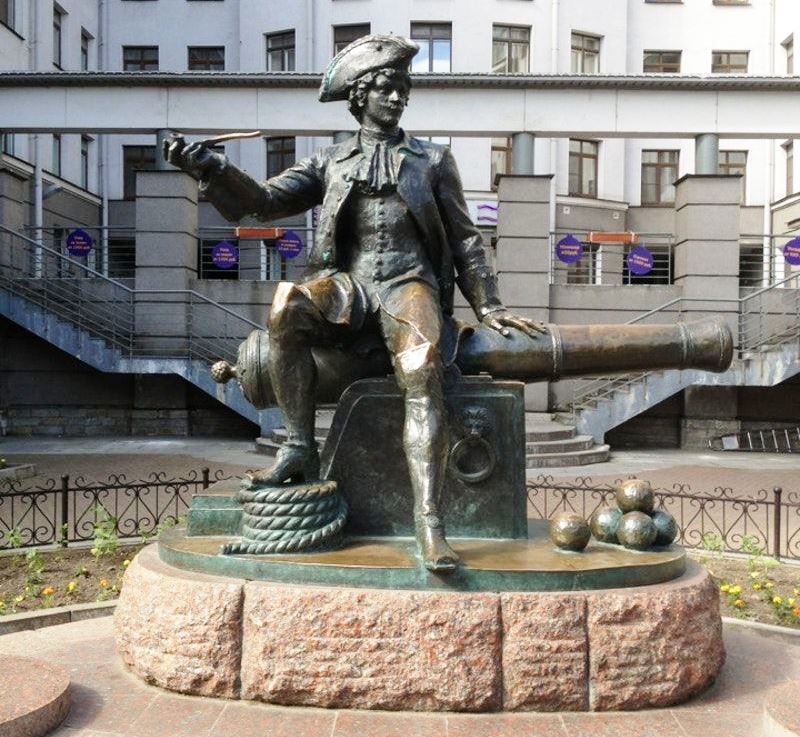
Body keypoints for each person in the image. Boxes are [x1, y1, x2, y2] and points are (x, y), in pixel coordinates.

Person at [165, 34, 545, 572]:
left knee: (422, 370)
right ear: (360, 96)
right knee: (287, 308)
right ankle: (299, 447)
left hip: (408, 286)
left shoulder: (434, 160)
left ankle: (429, 520)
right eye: (386, 87)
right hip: (349, 287)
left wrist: (489, 305)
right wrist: (212, 169)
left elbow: (465, 240)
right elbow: (264, 203)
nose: (397, 97)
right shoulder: (331, 161)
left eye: (402, 88)